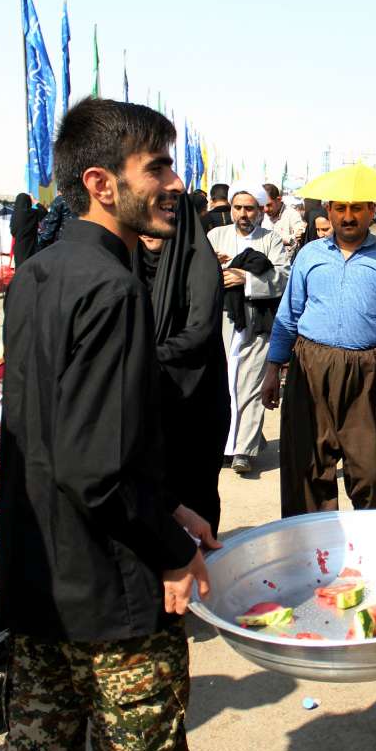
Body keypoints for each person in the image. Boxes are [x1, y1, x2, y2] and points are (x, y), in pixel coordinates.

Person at [0, 98, 218, 751]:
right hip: (111, 597)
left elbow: (63, 433)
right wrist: (173, 551)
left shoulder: (39, 273)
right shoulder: (115, 287)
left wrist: (168, 502)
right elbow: (97, 468)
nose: (174, 182)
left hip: (39, 579)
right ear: (100, 181)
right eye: (156, 166)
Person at [261, 198, 376, 517]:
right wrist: (272, 368)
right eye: (341, 209)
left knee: (373, 471)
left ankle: (372, 551)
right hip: (311, 370)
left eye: (357, 208)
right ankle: (314, 555)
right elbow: (288, 315)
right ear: (329, 212)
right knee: (308, 470)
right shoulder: (309, 255)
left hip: (370, 374)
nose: (349, 217)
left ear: (371, 212)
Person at [140, 202, 229, 534]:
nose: (150, 231)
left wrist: (143, 355)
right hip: (148, 396)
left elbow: (200, 332)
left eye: (160, 220)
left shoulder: (199, 264)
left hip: (196, 399)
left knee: (194, 491)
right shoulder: (129, 261)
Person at [208, 187, 290, 475]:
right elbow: (198, 273)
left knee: (251, 384)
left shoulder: (271, 239)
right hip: (222, 321)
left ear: (260, 210)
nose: (243, 214)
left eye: (250, 208)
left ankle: (243, 449)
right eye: (239, 208)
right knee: (225, 383)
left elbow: (282, 276)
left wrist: (246, 278)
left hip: (257, 321)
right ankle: (225, 444)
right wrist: (213, 268)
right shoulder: (215, 236)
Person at [261, 182, 303, 248]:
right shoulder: (261, 215)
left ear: (279, 200)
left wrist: (278, 241)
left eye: (269, 205)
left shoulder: (292, 215)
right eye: (263, 205)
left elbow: (298, 238)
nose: (265, 209)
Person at [9, 192, 42, 266]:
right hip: (32, 246)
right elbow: (44, 212)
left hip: (19, 248)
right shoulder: (34, 213)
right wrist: (35, 201)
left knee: (20, 269)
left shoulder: (15, 214)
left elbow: (13, 231)